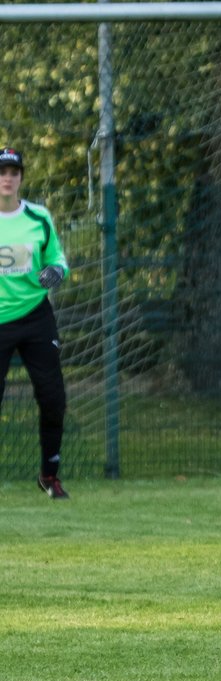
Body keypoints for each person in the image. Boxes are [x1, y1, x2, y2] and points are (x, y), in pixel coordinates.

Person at [0, 147, 70, 500]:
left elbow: (57, 258)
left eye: (14, 171)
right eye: (2, 172)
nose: (7, 178)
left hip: (36, 316)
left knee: (53, 397)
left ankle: (49, 475)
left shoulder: (39, 218)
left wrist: (57, 270)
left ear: (22, 177)